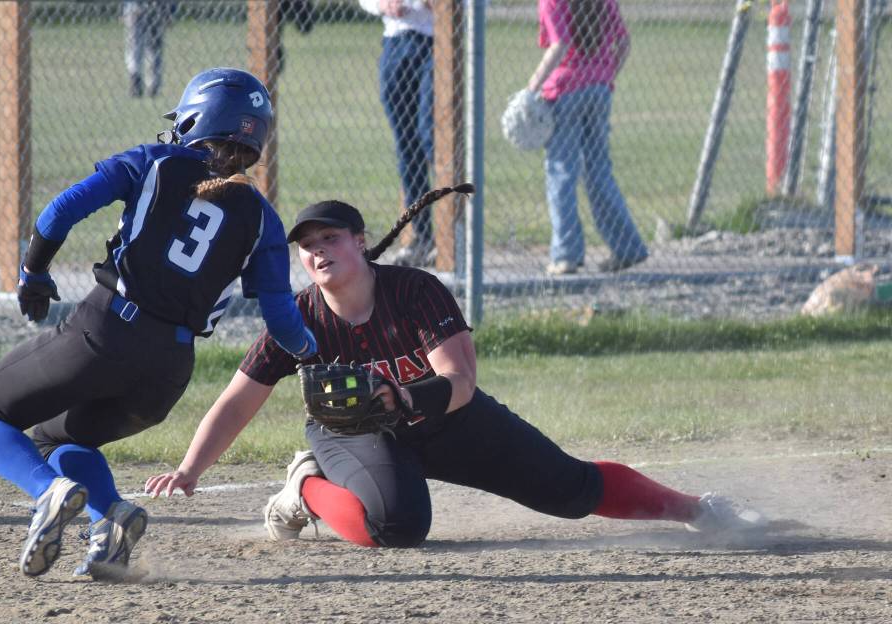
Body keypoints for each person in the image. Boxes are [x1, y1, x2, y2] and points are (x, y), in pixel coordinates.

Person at [145, 198, 766, 548]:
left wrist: (400, 393)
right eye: (307, 245)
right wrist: (190, 471)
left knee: (569, 492)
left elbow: (460, 381)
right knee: (397, 527)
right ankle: (306, 488)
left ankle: (699, 509)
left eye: (330, 238)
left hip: (442, 415)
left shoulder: (415, 292)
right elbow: (239, 397)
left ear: (361, 243)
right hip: (350, 435)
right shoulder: (298, 316)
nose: (317, 252)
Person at [0, 68, 317, 579]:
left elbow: (60, 212)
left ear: (197, 118)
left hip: (105, 332)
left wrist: (32, 272)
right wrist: (311, 350)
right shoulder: (263, 218)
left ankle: (48, 494)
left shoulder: (155, 161)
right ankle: (112, 520)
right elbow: (280, 317)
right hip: (168, 374)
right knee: (55, 440)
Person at [526, 0, 648, 275]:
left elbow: (560, 46)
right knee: (599, 172)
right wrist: (604, 75)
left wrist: (530, 90)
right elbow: (624, 43)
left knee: (562, 173)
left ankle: (566, 255)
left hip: (565, 93)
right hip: (599, 90)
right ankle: (627, 247)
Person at [359, 0, 435, 266]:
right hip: (395, 42)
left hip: (438, 43)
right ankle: (422, 237)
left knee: (432, 136)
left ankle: (455, 235)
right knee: (407, 144)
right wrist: (382, 4)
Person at [123, 0, 172, 98]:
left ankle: (153, 85)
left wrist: (168, 10)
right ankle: (136, 81)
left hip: (156, 8)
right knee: (136, 47)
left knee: (153, 48)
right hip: (137, 7)